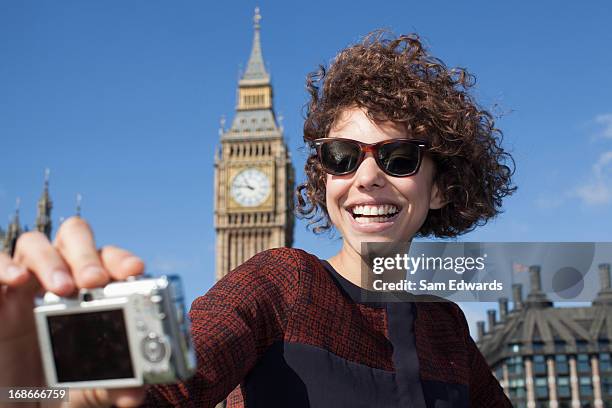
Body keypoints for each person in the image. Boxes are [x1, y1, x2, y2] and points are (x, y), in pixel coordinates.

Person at [0, 31, 516, 407]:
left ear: (443, 187)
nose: (366, 177)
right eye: (342, 155)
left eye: (398, 157)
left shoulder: (447, 328)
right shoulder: (281, 284)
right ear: (323, 177)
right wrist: (39, 386)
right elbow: (168, 388)